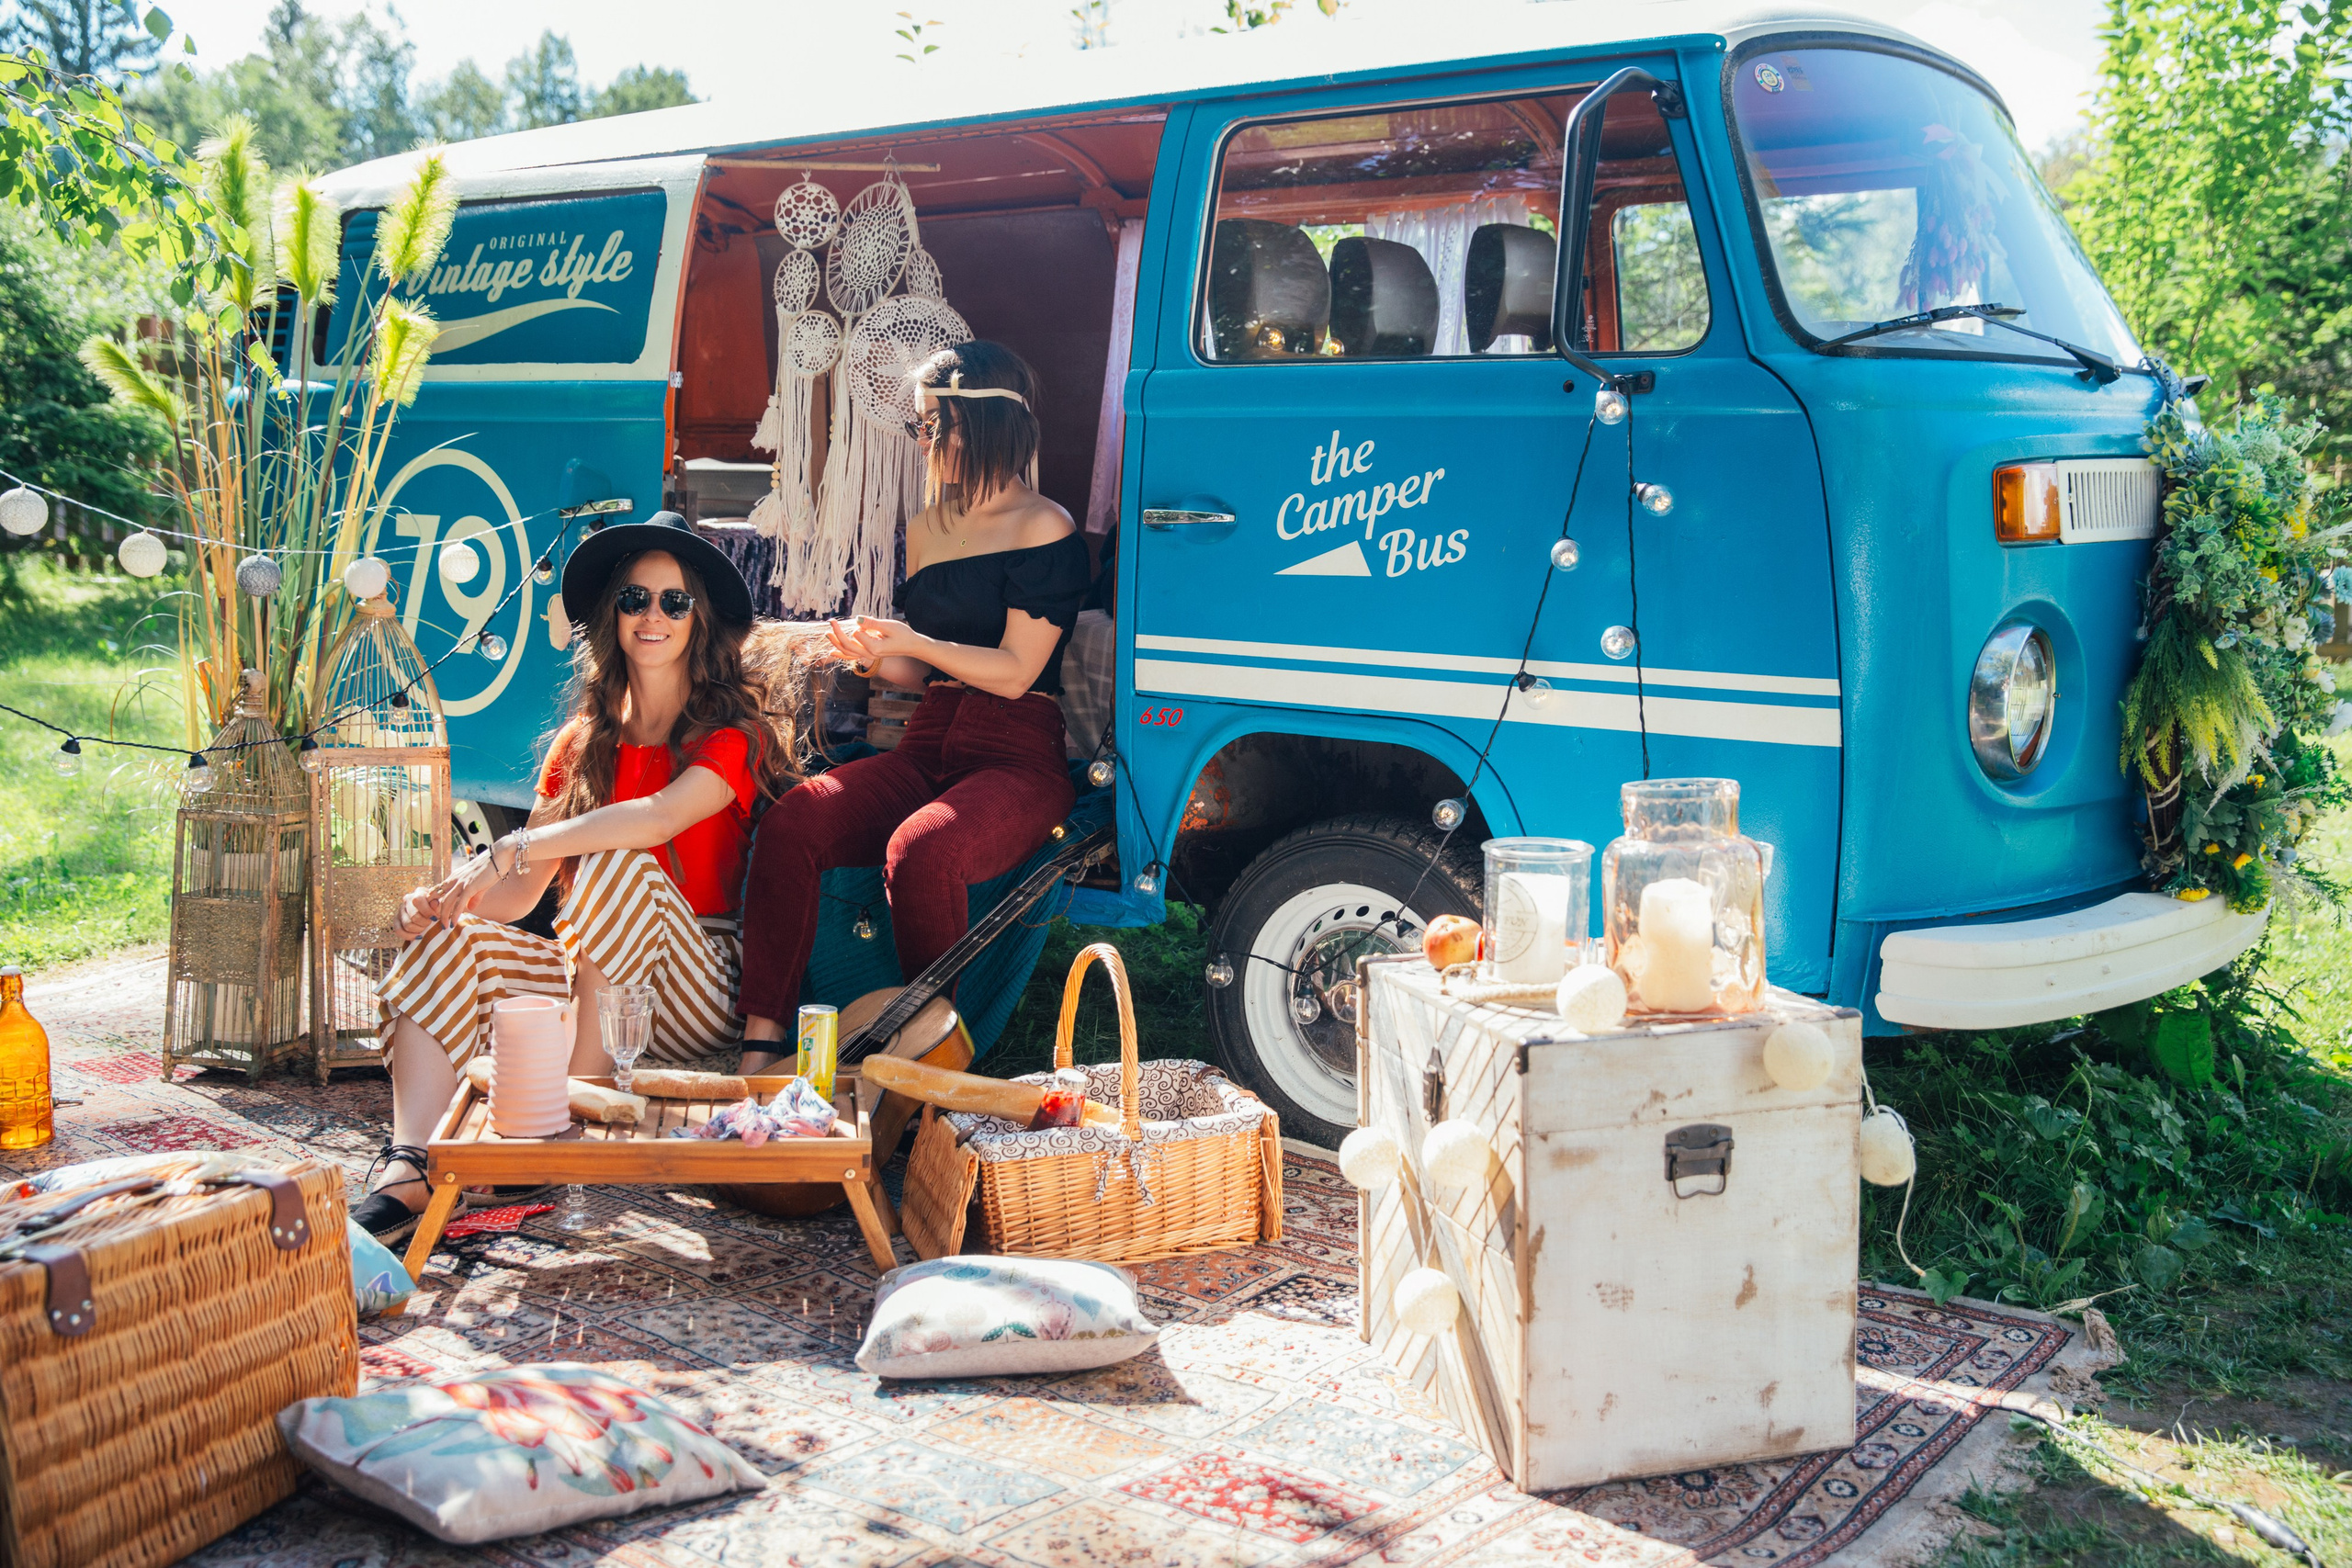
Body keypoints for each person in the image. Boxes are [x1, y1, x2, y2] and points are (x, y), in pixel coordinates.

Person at [352, 513, 804, 1241]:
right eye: (634, 599)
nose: (651, 615)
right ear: (611, 616)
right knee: (451, 940)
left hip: (701, 983)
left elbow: (654, 820)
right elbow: (522, 895)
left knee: (623, 859)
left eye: (673, 601)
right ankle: (413, 1164)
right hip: (590, 976)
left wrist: (512, 844)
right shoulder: (580, 742)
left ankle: (561, 1121)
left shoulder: (732, 736)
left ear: (699, 620)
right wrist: (448, 899)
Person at [736, 341, 1086, 1068]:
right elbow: (915, 668)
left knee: (924, 848)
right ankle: (759, 1048)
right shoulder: (927, 527)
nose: (924, 442)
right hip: (928, 741)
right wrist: (860, 651)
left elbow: (1018, 671)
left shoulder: (1044, 525)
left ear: (986, 423)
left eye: (936, 424)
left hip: (1017, 752)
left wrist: (915, 641)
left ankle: (932, 1067)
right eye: (921, 425)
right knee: (795, 819)